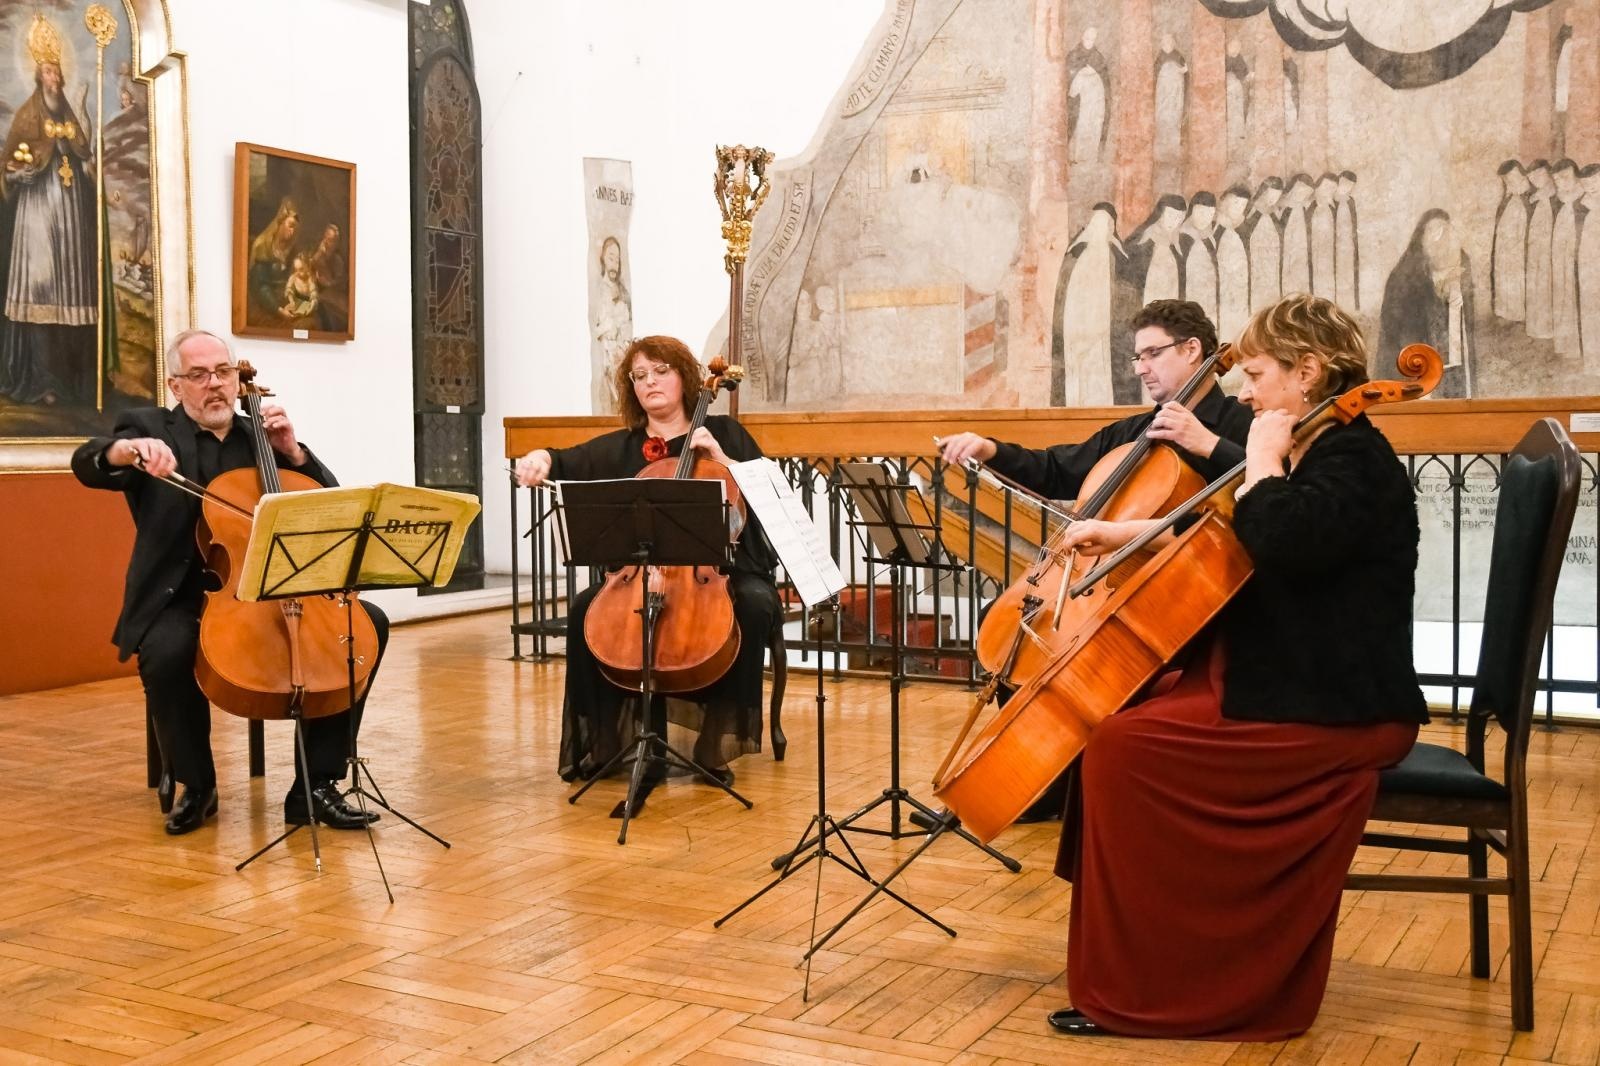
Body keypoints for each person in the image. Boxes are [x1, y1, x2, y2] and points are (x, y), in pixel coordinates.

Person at [1043, 294, 1425, 1040]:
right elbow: (1227, 531)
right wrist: (1125, 533)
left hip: (1337, 708)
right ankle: (1142, 967)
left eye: (1255, 374)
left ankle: (1169, 990)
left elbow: (1277, 535)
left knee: (1125, 751)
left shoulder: (1353, 456)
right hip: (1293, 680)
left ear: (1307, 374)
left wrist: (1257, 455)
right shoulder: (1319, 446)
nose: (1243, 392)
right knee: (1122, 719)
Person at [937, 299, 1253, 821]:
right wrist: (992, 449)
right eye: (1137, 357)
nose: (1142, 368)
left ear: (1194, 350)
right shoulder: (1137, 431)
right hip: (1120, 587)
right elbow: (1058, 468)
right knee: (1025, 629)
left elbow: (1269, 482)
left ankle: (1065, 784)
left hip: (1197, 602)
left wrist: (1209, 443)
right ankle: (1040, 785)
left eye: (1152, 353)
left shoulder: (1240, 423)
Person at [70, 330, 386, 835]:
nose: (214, 385)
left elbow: (327, 502)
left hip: (268, 590)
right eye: (199, 375)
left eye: (224, 372)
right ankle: (199, 786)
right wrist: (127, 451)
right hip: (184, 593)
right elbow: (87, 462)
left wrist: (295, 452)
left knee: (365, 626)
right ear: (176, 386)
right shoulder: (151, 430)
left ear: (238, 379)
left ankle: (316, 785)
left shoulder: (260, 437)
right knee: (167, 650)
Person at [515, 335, 780, 816]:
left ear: (685, 376)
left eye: (660, 370)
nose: (651, 382)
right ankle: (606, 743)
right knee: (582, 610)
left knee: (757, 604)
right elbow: (563, 458)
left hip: (717, 570)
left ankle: (713, 745)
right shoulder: (624, 447)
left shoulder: (723, 431)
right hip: (644, 574)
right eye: (640, 376)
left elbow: (769, 491)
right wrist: (539, 459)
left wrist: (722, 460)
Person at [0, 14, 98, 407]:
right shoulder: (27, 113)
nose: (53, 77)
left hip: (70, 209)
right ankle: (37, 378)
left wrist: (86, 117)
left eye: (56, 71)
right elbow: (9, 161)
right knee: (39, 283)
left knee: (68, 286)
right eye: (47, 71)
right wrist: (19, 173)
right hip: (38, 210)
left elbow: (84, 151)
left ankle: (67, 380)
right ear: (38, 76)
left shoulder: (69, 113)